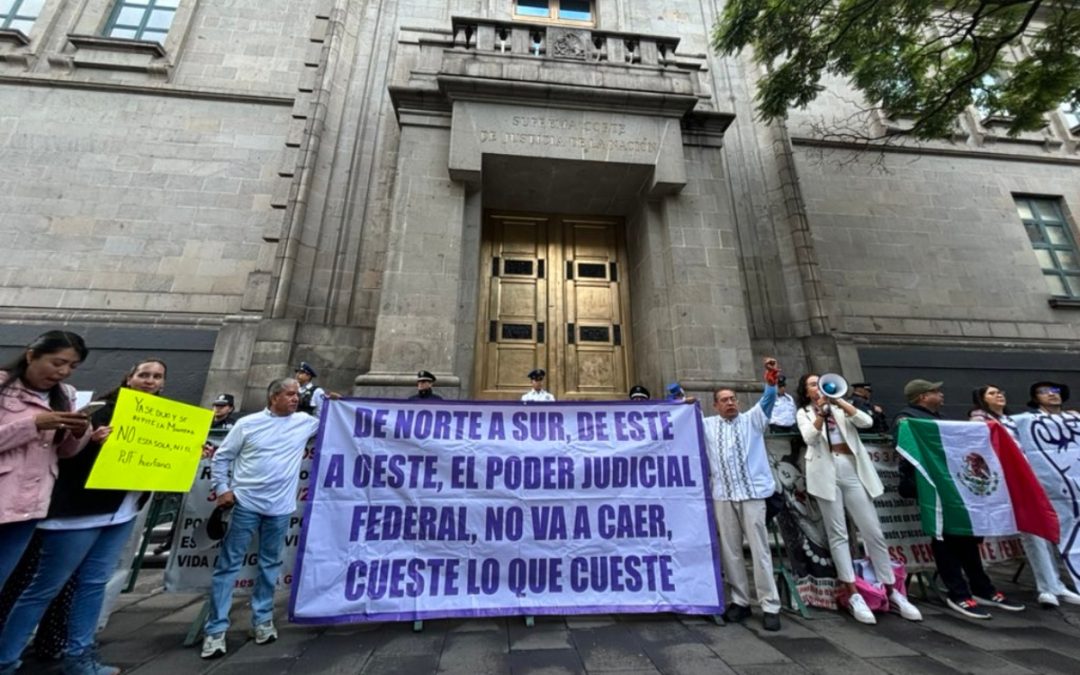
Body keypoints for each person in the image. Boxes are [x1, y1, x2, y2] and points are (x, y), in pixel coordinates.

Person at [0, 358, 168, 675]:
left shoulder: (167, 418)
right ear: (129, 377)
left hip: (122, 511)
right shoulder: (100, 409)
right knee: (44, 587)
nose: (149, 380)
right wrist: (91, 443)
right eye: (143, 374)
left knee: (93, 585)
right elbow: (64, 454)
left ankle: (80, 657)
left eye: (156, 376)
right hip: (81, 512)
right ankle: (6, 658)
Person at [201, 378, 321, 660]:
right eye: (290, 395)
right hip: (245, 505)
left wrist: (338, 401)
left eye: (297, 395)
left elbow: (338, 418)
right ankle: (216, 629)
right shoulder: (247, 424)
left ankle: (263, 620)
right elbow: (222, 458)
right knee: (229, 565)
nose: (295, 399)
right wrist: (222, 489)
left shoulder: (304, 422)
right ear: (274, 397)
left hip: (280, 508)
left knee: (270, 564)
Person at [796, 374, 921, 624]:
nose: (819, 387)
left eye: (820, 382)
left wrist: (841, 403)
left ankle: (891, 589)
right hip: (825, 471)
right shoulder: (805, 413)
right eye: (813, 384)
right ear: (807, 392)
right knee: (838, 533)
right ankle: (852, 591)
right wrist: (821, 413)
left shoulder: (841, 409)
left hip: (851, 469)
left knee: (872, 530)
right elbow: (809, 438)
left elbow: (866, 422)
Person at [895, 378, 1024, 619]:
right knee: (944, 540)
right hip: (933, 487)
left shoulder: (938, 418)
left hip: (953, 486)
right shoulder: (907, 418)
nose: (942, 394)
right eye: (935, 391)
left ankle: (981, 587)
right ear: (922, 396)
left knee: (965, 536)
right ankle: (958, 592)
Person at [0, 331, 94, 591]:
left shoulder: (66, 394)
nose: (63, 371)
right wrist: (32, 425)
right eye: (57, 362)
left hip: (31, 504)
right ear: (32, 355)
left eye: (72, 366)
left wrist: (78, 431)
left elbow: (64, 452)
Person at [701, 359, 782, 631]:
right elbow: (683, 418)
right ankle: (740, 601)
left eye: (733, 398)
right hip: (723, 495)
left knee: (760, 551)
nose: (730, 403)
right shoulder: (708, 426)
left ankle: (770, 603)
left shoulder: (753, 420)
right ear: (715, 405)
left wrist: (770, 380)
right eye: (724, 400)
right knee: (731, 551)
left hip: (752, 495)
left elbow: (768, 400)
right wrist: (676, 396)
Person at [1002, 382, 1080, 607]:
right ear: (1035, 398)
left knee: (1072, 535)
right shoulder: (1024, 421)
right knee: (1037, 537)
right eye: (1045, 392)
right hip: (1038, 488)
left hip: (1070, 490)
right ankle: (1047, 586)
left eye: (1055, 391)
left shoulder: (1072, 420)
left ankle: (1059, 585)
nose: (1052, 395)